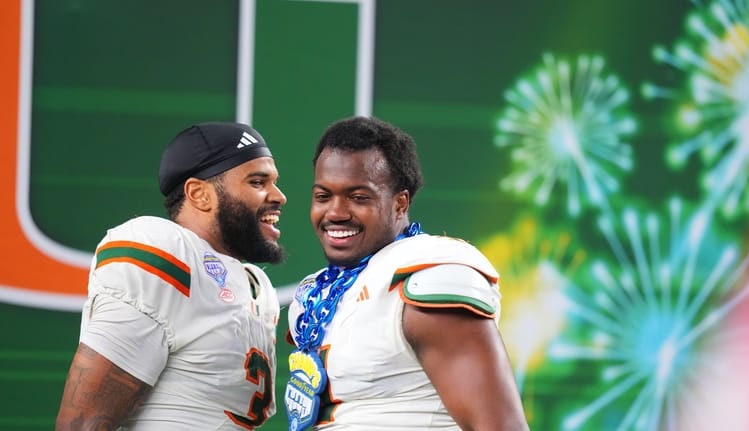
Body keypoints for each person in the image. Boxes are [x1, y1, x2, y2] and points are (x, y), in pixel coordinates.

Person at [284, 116, 529, 431]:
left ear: (400, 203)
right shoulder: (318, 293)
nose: (335, 212)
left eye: (358, 198)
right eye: (323, 196)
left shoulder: (428, 274)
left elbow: (502, 426)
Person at [56, 121, 286, 430]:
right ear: (199, 194)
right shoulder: (166, 251)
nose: (279, 196)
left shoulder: (256, 286)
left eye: (274, 182)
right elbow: (83, 421)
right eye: (258, 182)